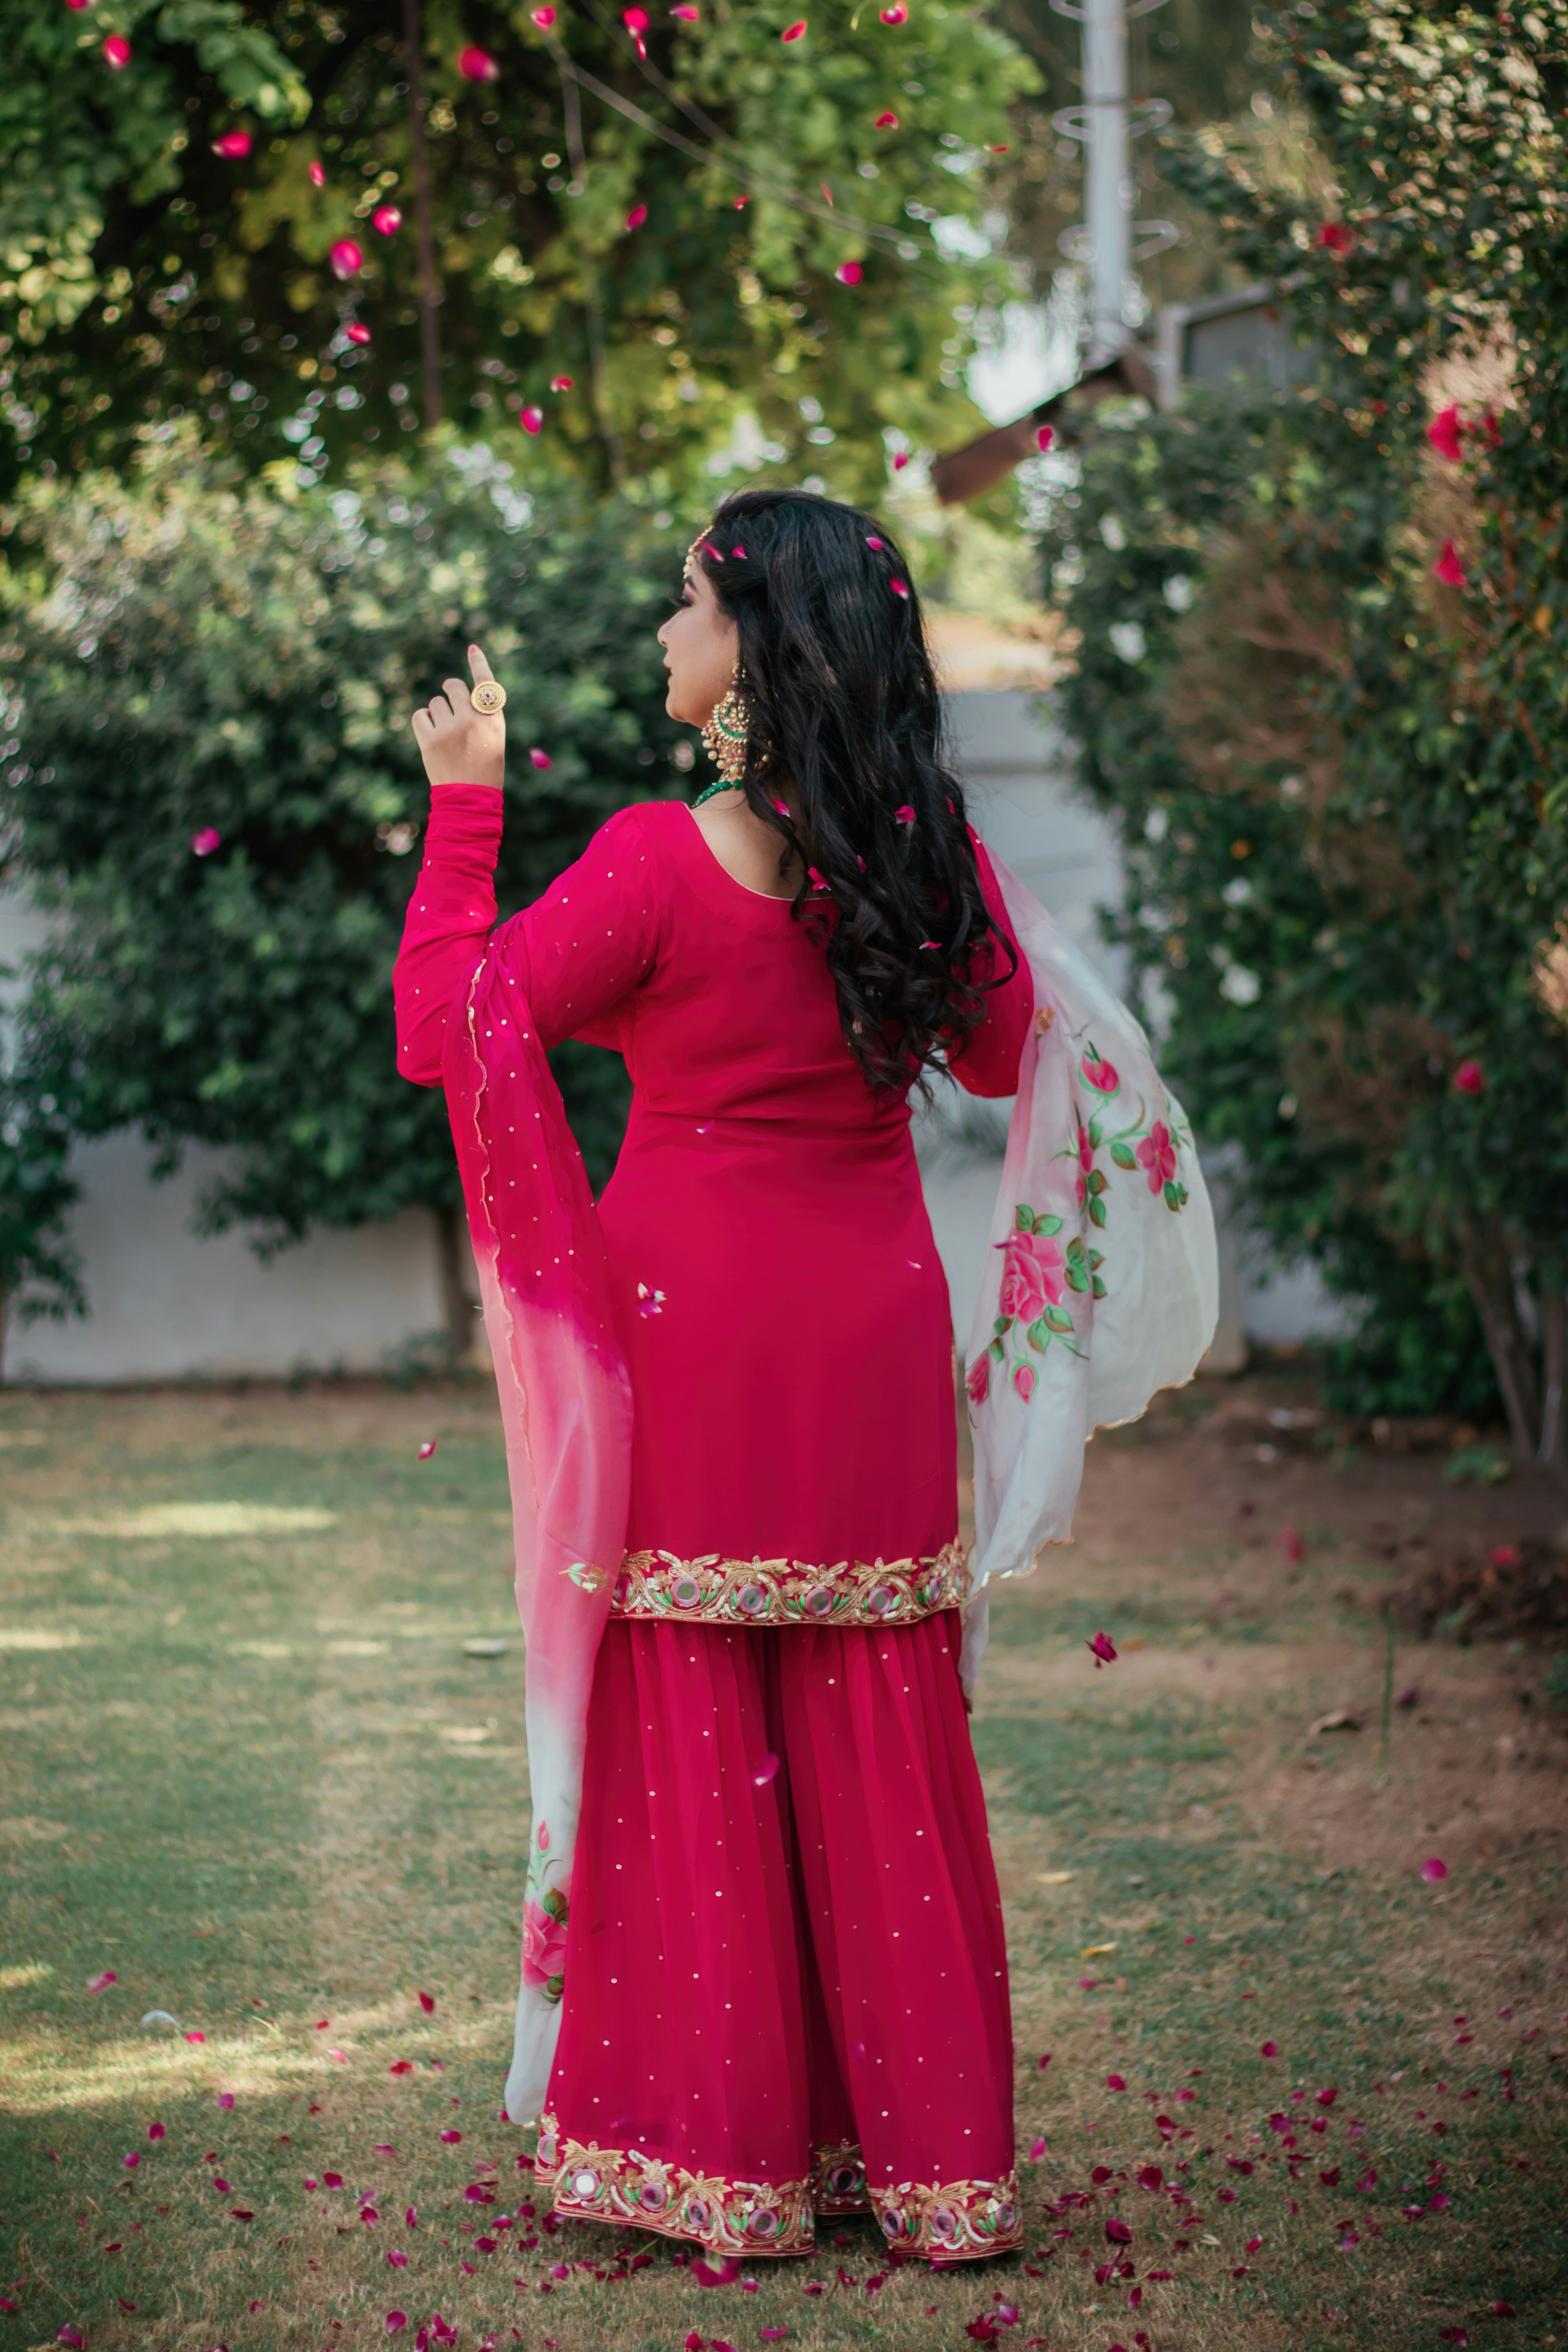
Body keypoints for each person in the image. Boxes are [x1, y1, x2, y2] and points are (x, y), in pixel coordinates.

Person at [394, 487, 1217, 2269]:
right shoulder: (920, 860)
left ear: (756, 649)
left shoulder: (650, 862)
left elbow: (444, 1029)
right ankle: (927, 2170)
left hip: (689, 1336)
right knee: (872, 1732)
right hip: (864, 1338)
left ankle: (725, 2165)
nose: (668, 635)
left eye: (690, 606)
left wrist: (465, 814)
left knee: (694, 1726)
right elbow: (1010, 1059)